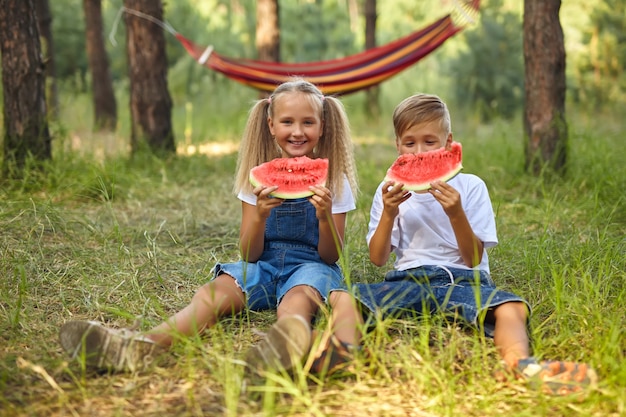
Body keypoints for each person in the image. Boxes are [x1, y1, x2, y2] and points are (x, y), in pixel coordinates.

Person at [59, 78, 363, 375]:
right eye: (287, 122)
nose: (297, 131)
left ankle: (287, 345)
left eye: (308, 122)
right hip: (264, 265)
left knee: (294, 305)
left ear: (323, 126)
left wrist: (324, 216)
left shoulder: (335, 181)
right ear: (271, 126)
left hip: (311, 267)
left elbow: (330, 256)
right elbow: (249, 253)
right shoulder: (258, 179)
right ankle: (141, 345)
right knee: (212, 295)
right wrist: (258, 216)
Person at [352, 93, 597, 395]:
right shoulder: (388, 190)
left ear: (449, 143)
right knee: (347, 298)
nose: (419, 152)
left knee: (511, 307)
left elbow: (472, 258)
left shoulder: (471, 187)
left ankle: (519, 365)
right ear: (397, 145)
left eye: (430, 142)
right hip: (408, 280)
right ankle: (342, 351)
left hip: (464, 281)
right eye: (409, 142)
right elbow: (377, 259)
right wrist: (389, 212)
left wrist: (456, 212)